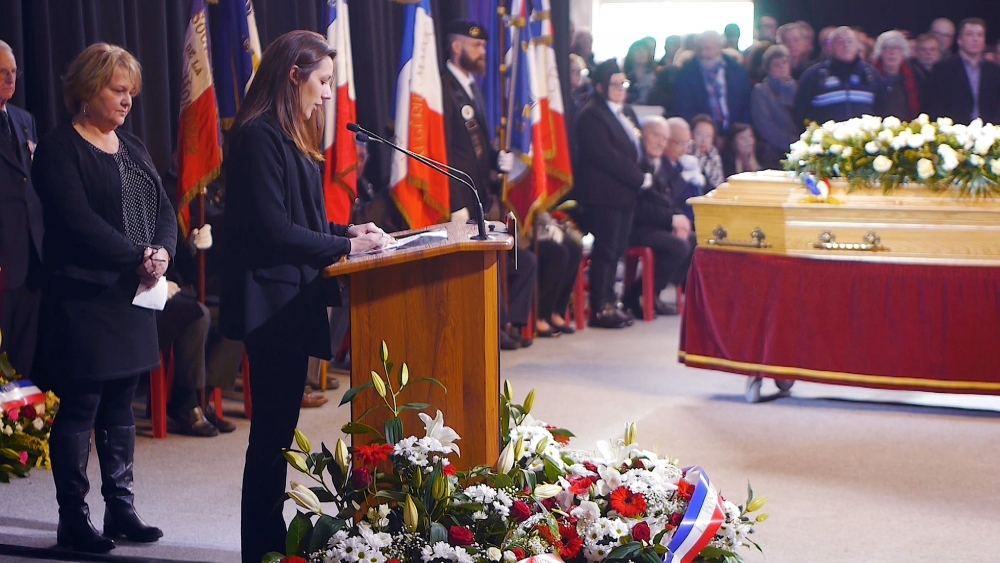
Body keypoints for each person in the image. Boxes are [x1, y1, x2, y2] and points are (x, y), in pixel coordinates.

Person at [217, 31, 391, 563]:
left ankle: (268, 548)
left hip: (292, 300)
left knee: (278, 436)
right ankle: (259, 551)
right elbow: (274, 230)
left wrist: (349, 230)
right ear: (293, 75)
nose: (329, 93)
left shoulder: (290, 134)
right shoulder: (258, 136)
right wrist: (346, 245)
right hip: (272, 306)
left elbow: (303, 222)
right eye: (323, 81)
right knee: (270, 440)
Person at [32, 43, 174, 553]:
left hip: (131, 296)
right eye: (118, 90)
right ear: (88, 90)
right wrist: (138, 255)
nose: (127, 100)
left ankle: (121, 509)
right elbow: (78, 223)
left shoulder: (131, 146)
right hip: (84, 299)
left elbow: (164, 208)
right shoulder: (58, 149)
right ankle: (73, 519)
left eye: (130, 91)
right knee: (83, 405)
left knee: (120, 402)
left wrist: (163, 252)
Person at [574, 59, 652, 329]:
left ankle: (611, 301)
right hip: (603, 195)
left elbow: (637, 146)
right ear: (600, 87)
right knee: (605, 251)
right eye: (615, 84)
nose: (621, 89)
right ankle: (600, 306)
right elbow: (607, 156)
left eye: (623, 83)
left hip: (626, 194)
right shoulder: (592, 115)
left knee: (617, 250)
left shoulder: (626, 111)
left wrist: (645, 170)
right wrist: (638, 177)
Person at [440, 19, 514, 218]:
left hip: (478, 197)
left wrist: (496, 158)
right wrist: (455, 204)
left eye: (483, 46)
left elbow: (476, 143)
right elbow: (443, 152)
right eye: (476, 45)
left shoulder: (472, 87)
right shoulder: (443, 87)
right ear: (456, 47)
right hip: (458, 201)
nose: (483, 52)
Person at [0, 40, 42, 380]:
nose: (10, 79)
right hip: (2, 259)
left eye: (14, 72)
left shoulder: (24, 119)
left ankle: (22, 412)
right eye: (2, 72)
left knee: (23, 352)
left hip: (31, 257)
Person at [624, 115, 694, 318]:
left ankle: (654, 293)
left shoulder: (657, 164)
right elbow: (640, 208)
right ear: (642, 135)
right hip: (634, 226)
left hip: (655, 225)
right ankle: (636, 295)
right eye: (656, 135)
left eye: (664, 138)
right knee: (678, 246)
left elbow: (667, 201)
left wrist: (679, 219)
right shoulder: (635, 163)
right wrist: (671, 220)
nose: (660, 142)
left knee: (693, 241)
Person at [794, 27, 884, 129]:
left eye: (850, 41)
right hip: (827, 138)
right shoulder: (813, 75)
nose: (846, 46)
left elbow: (882, 110)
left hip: (865, 137)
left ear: (857, 46)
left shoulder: (871, 74)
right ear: (830, 46)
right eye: (840, 42)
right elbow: (800, 113)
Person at [674, 30, 751, 136]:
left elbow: (745, 103)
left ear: (719, 47)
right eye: (699, 49)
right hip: (702, 134)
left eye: (708, 49)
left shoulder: (737, 71)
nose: (703, 54)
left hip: (736, 132)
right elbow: (684, 108)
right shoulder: (686, 75)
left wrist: (741, 130)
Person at [925, 18, 1000, 124]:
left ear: (984, 41)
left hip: (989, 130)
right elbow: (935, 105)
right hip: (953, 130)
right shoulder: (942, 69)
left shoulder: (994, 70)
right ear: (959, 40)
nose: (975, 39)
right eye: (969, 34)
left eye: (980, 35)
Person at [533, 211, 582, 337]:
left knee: (575, 249)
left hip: (541, 226)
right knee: (557, 253)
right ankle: (541, 314)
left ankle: (556, 310)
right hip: (524, 236)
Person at [752, 45, 800, 169]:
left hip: (800, 150)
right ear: (768, 69)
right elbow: (765, 126)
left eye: (784, 63)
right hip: (773, 153)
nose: (782, 67)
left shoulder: (799, 87)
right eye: (776, 65)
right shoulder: (761, 91)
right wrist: (792, 143)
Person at [873, 31, 921, 121]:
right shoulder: (871, 76)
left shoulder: (914, 76)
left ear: (903, 53)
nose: (892, 52)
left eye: (896, 48)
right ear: (880, 53)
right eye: (887, 48)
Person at [687, 114, 725, 191]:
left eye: (708, 136)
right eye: (700, 134)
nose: (704, 140)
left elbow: (719, 183)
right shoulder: (686, 153)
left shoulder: (714, 155)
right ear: (691, 134)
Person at [624, 39, 657, 105]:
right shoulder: (624, 76)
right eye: (638, 50)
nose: (641, 53)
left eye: (644, 50)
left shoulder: (657, 75)